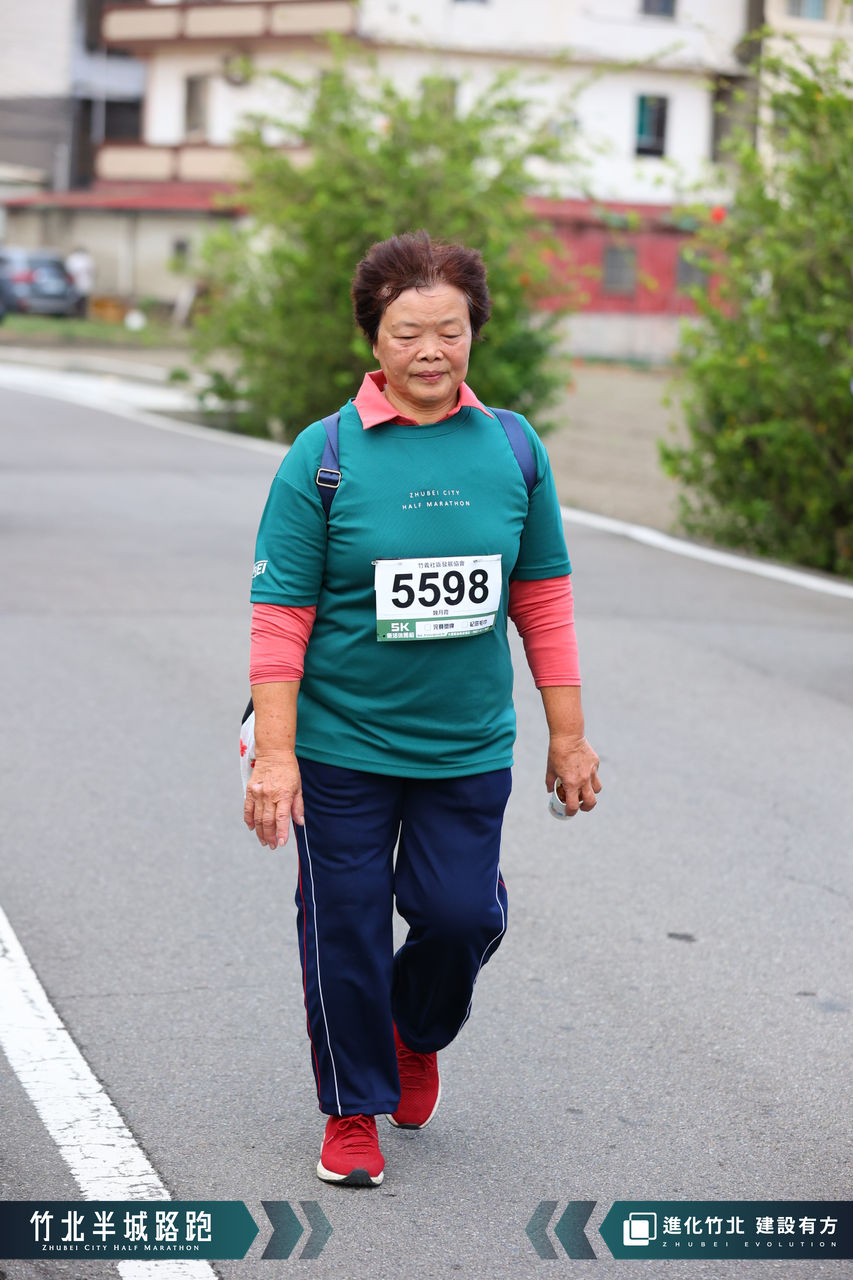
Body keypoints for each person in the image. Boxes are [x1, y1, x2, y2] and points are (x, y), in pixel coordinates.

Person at [243, 230, 601, 1188]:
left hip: (465, 745)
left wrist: (568, 736)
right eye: (408, 333)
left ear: (474, 331)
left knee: (457, 915)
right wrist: (274, 756)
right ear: (374, 337)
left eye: (450, 330)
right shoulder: (323, 457)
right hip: (340, 743)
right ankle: (352, 1109)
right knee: (344, 925)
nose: (431, 351)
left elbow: (542, 598)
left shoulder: (513, 448)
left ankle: (414, 1030)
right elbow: (280, 617)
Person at [64, 246, 94, 318]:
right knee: (75, 299)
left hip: (83, 282)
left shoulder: (86, 259)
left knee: (83, 299)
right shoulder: (74, 258)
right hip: (75, 282)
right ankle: (74, 314)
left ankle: (81, 314)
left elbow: (91, 270)